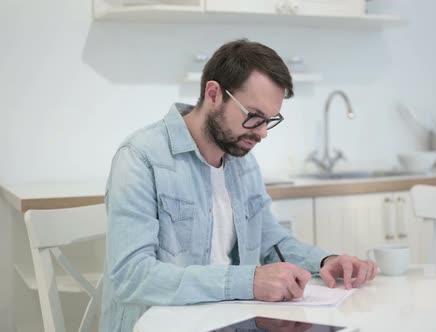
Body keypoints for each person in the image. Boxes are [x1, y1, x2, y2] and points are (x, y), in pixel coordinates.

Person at [99, 39, 377, 331]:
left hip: (232, 322)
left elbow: (272, 242)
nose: (262, 133)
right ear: (214, 93)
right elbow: (131, 275)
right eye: (254, 117)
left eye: (269, 120)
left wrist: (324, 261)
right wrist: (249, 281)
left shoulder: (241, 162)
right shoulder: (141, 158)